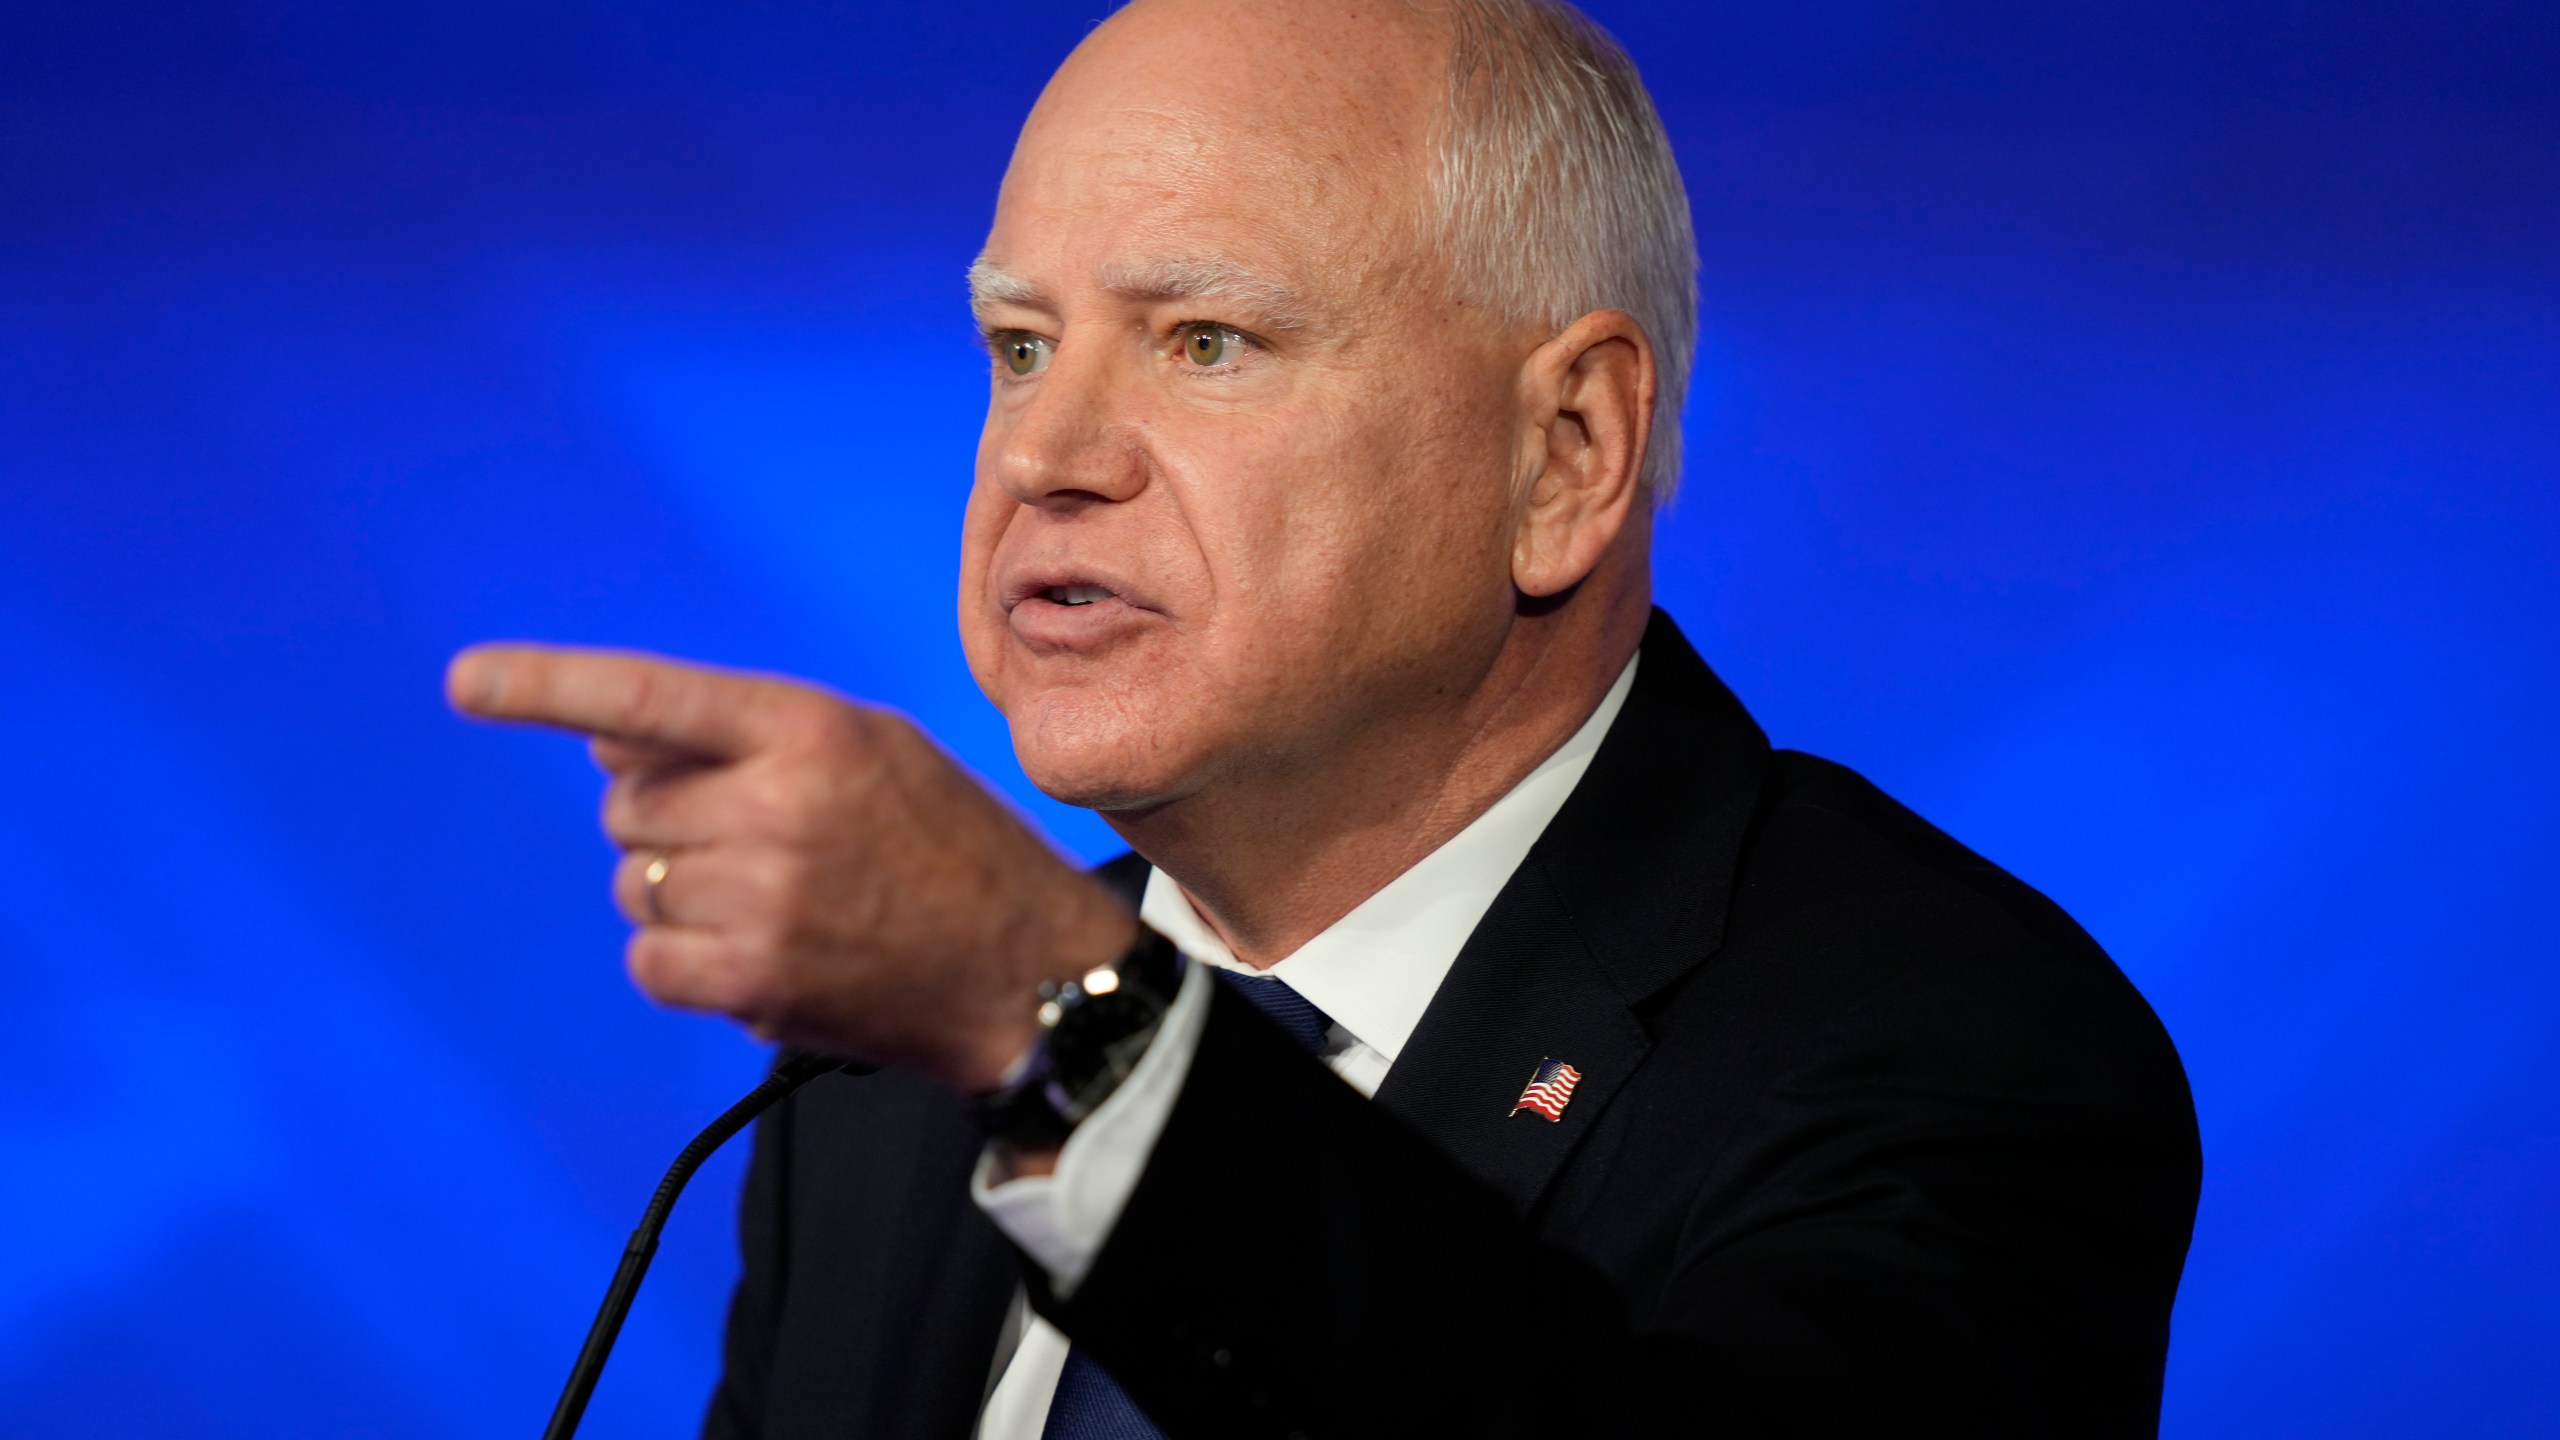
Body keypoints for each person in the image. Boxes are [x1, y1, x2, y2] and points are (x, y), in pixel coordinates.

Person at [447, 0, 2203, 1434]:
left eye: (1205, 340)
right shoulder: (885, 1095)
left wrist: (1064, 1031)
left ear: (1564, 453)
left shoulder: (1951, 1047)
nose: (1049, 458)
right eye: (1019, 345)